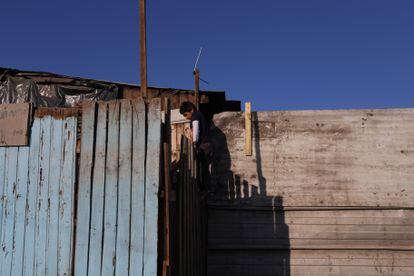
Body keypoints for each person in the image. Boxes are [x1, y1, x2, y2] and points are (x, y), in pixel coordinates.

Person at [179, 101, 213, 191]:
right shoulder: (197, 116)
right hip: (205, 144)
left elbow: (196, 128)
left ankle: (204, 188)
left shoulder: (196, 115)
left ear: (191, 110)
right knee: (202, 166)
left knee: (202, 167)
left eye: (186, 114)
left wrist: (194, 143)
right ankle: (204, 187)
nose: (186, 118)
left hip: (204, 145)